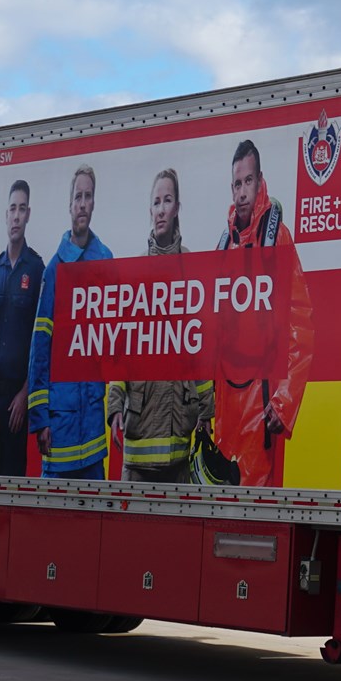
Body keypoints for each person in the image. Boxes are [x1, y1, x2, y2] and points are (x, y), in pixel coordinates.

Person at [213, 140, 313, 487]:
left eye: (248, 181)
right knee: (220, 506)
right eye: (237, 184)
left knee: (254, 507)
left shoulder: (277, 239)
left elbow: (301, 324)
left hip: (261, 412)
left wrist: (283, 403)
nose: (242, 191)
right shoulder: (224, 246)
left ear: (260, 181)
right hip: (224, 417)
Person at [106, 170, 214, 483]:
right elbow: (120, 349)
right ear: (150, 210)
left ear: (177, 207)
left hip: (180, 438)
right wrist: (114, 407)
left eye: (167, 201)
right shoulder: (136, 272)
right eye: (156, 202)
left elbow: (200, 350)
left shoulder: (192, 269)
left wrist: (207, 412)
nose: (161, 209)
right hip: (139, 440)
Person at [27, 164, 114, 479]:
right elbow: (40, 347)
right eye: (78, 196)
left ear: (94, 203)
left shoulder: (106, 261)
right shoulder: (56, 269)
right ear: (70, 204)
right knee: (54, 507)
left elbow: (114, 338)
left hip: (92, 421)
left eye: (88, 196)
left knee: (95, 509)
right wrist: (41, 419)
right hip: (60, 424)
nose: (82, 203)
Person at [0, 179, 44, 477]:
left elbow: (40, 344)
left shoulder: (36, 269)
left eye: (22, 209)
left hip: (17, 403)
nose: (16, 216)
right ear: (6, 215)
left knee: (13, 486)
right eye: (12, 209)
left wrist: (25, 394)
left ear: (28, 215)